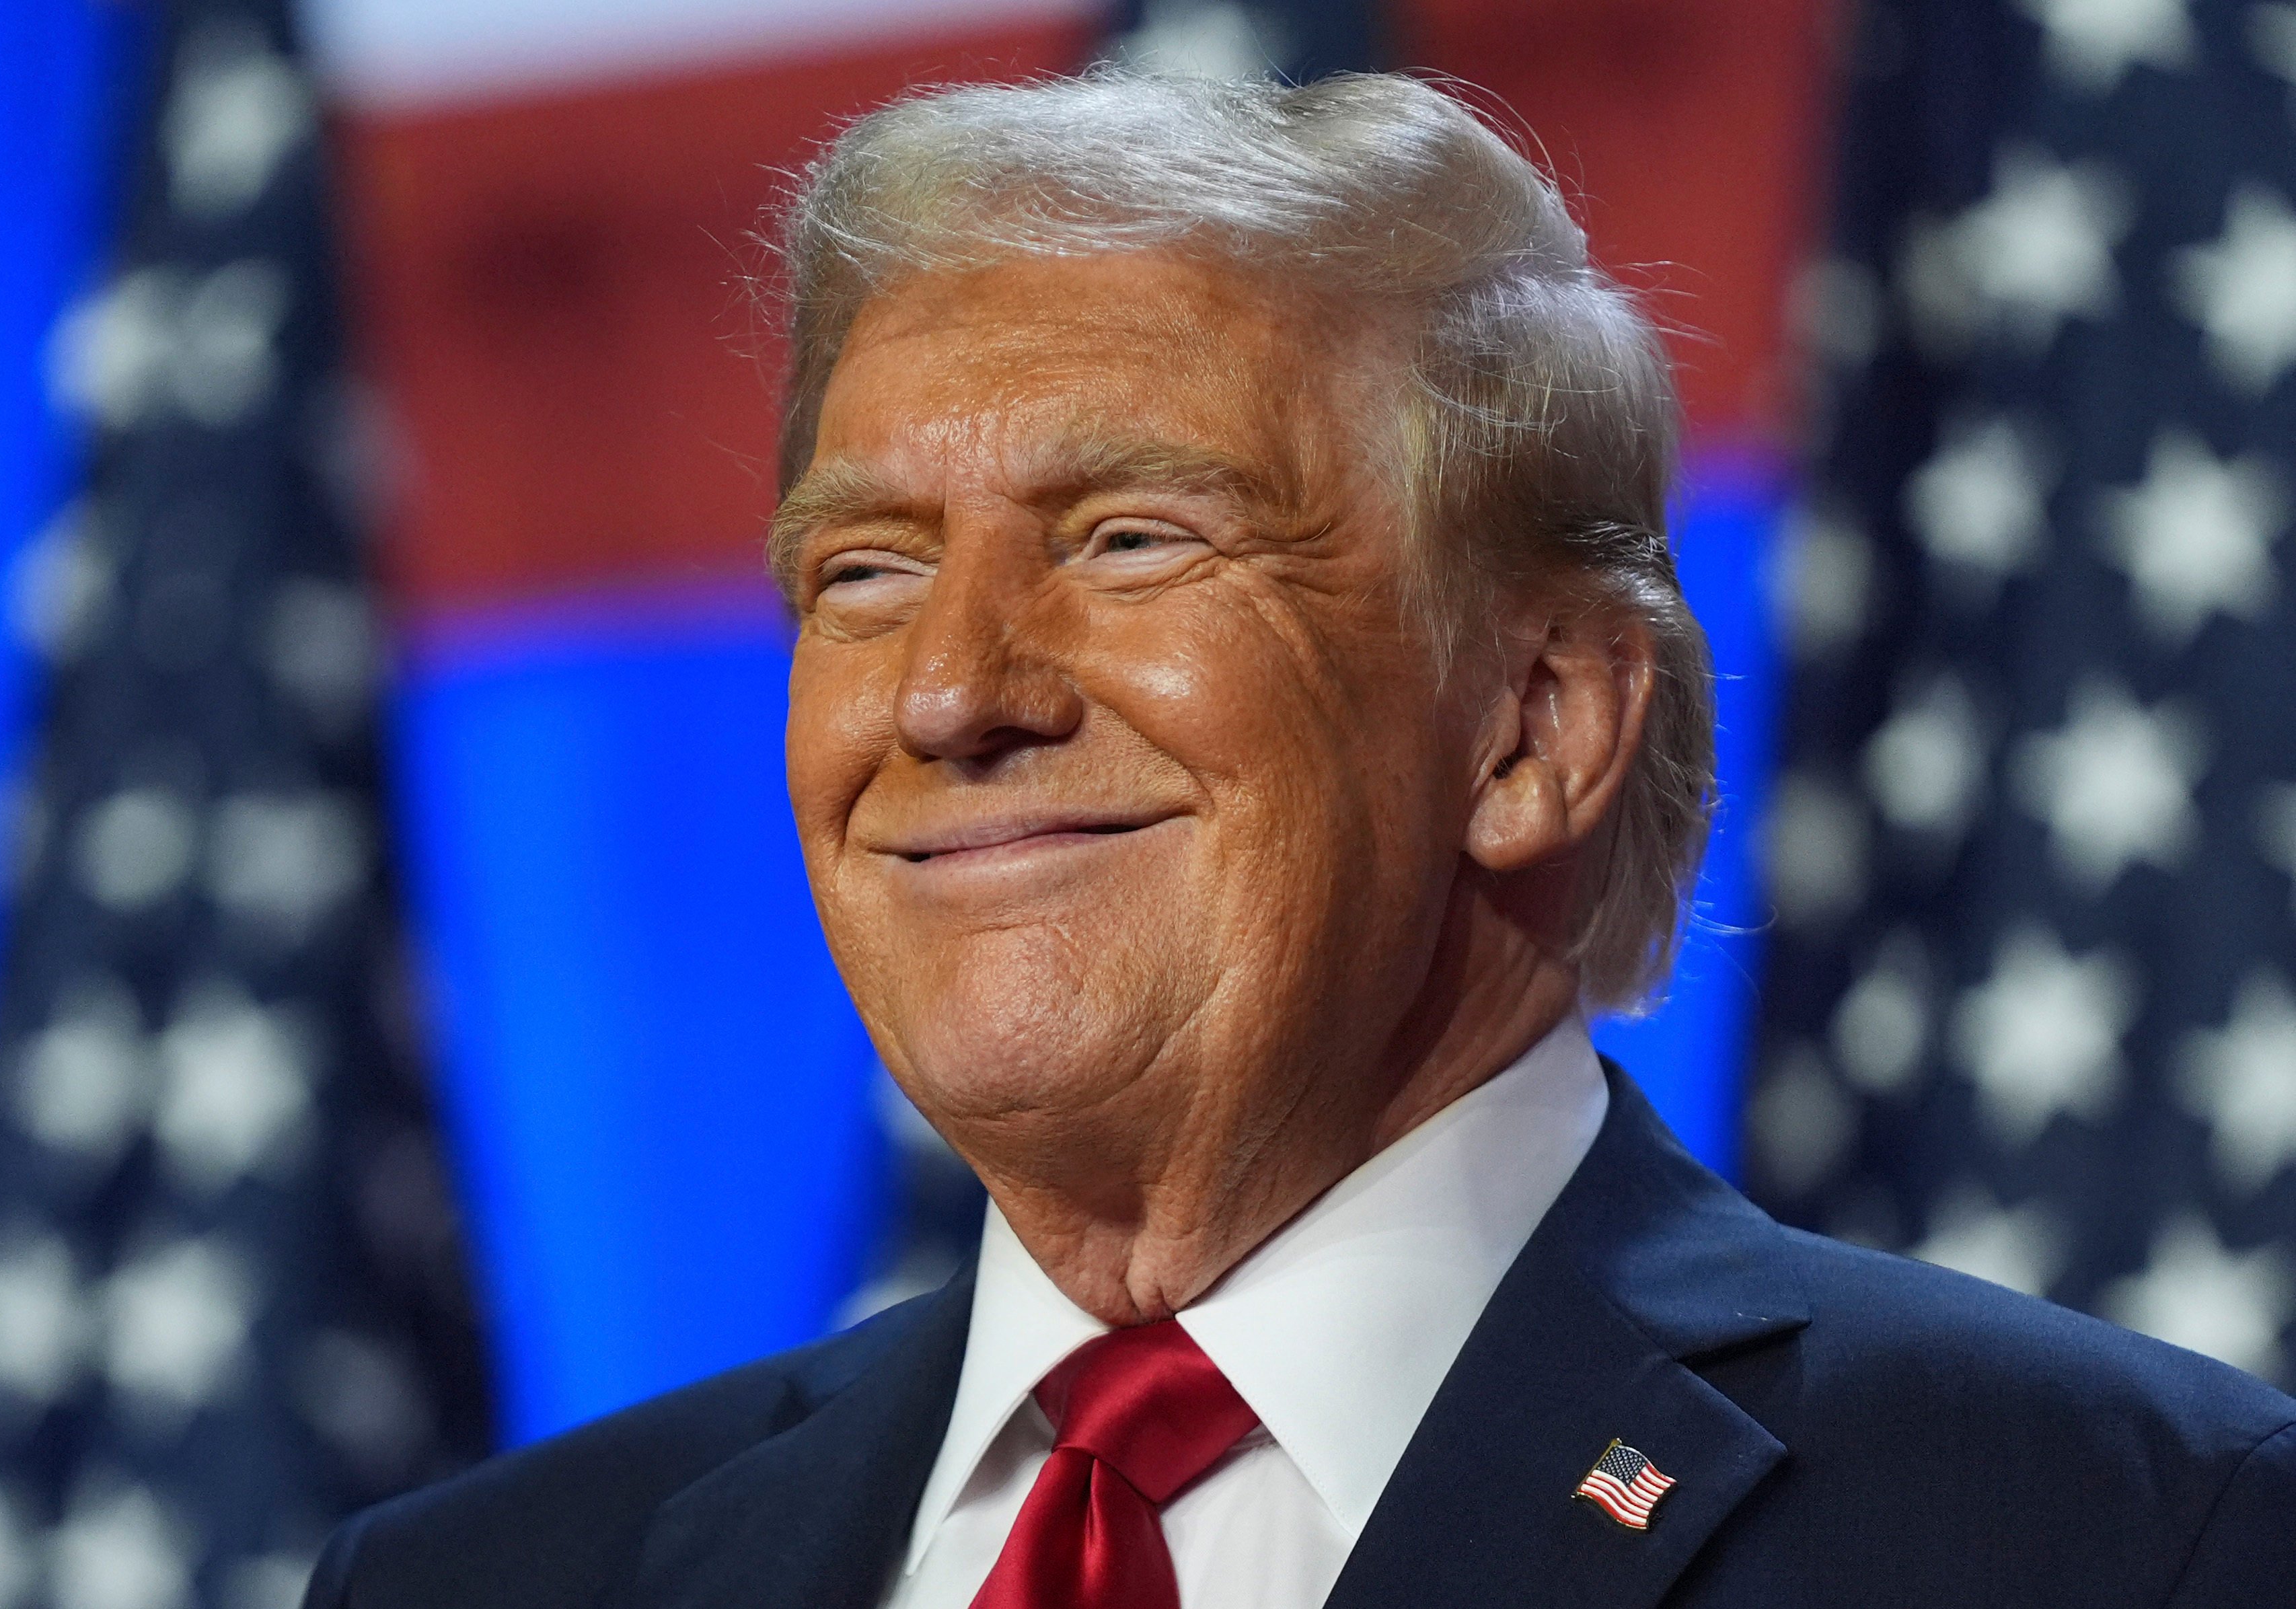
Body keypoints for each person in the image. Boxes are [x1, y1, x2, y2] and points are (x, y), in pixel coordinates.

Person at [303, 72, 2295, 1609]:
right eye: (863, 573)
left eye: (1130, 539)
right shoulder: (490, 1583)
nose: (947, 692)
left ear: (1534, 726)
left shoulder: (2121, 1536)